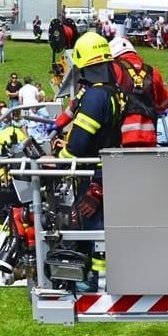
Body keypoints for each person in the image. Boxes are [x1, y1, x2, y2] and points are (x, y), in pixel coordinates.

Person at [59, 33, 126, 285]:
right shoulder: (114, 92)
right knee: (95, 229)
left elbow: (78, 145)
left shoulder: (96, 96)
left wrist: (57, 160)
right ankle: (98, 278)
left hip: (94, 177)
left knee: (93, 230)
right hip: (106, 173)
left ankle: (97, 282)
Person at [109, 36, 168, 147]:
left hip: (121, 138)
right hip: (149, 137)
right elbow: (163, 103)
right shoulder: (153, 72)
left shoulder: (114, 68)